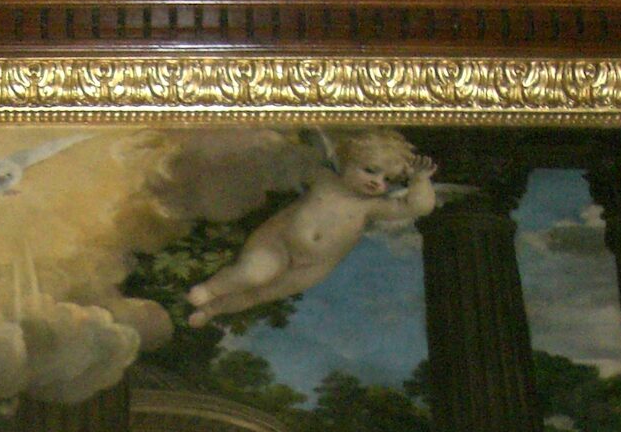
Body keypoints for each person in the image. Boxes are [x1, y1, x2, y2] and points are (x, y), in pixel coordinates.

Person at [186, 129, 438, 327]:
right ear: (347, 161)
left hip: (313, 266)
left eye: (388, 180)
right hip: (279, 243)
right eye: (370, 170)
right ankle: (211, 289)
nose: (377, 182)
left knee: (258, 296)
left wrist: (420, 180)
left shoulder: (372, 206)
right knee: (253, 275)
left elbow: (418, 207)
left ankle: (211, 310)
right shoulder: (324, 179)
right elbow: (290, 162)